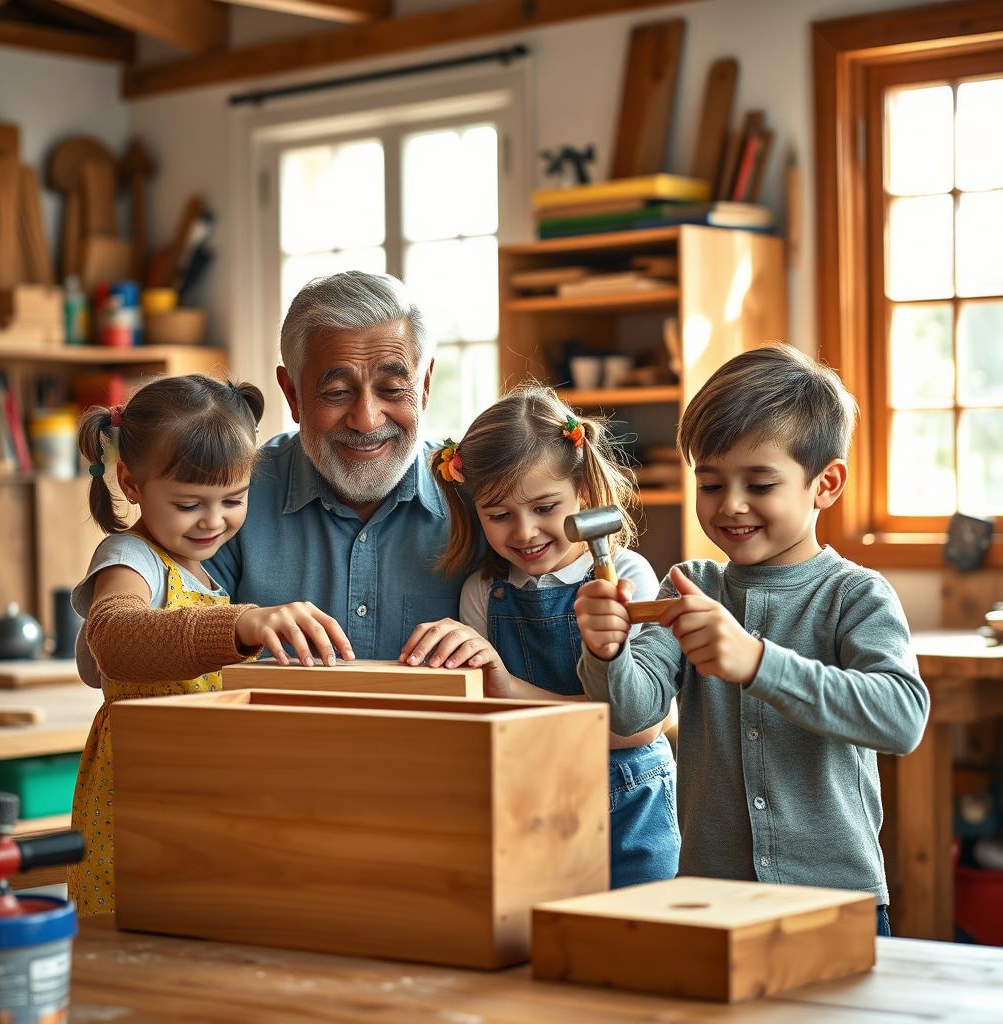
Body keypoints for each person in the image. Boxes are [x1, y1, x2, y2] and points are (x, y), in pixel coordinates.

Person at [575, 344, 930, 934]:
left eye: (760, 484)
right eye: (710, 484)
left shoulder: (855, 595)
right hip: (710, 901)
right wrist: (606, 651)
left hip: (836, 904)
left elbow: (901, 719)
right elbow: (632, 711)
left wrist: (760, 662)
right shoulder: (691, 585)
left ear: (826, 484)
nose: (731, 505)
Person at [70, 374, 347, 916]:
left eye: (233, 499)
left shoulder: (201, 575)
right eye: (190, 503)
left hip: (193, 784)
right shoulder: (131, 557)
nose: (214, 520)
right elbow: (114, 638)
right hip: (138, 792)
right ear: (131, 485)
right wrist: (239, 626)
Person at [400, 384, 680, 888]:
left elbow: (637, 728)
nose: (525, 532)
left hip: (632, 804)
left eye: (545, 507)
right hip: (533, 802)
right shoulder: (483, 592)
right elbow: (483, 717)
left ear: (586, 496)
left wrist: (511, 690)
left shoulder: (627, 578)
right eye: (500, 515)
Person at [207, 271, 467, 661]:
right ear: (292, 395)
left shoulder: (484, 498)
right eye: (337, 392)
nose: (367, 420)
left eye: (393, 390)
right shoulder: (230, 493)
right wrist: (237, 628)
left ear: (425, 386)